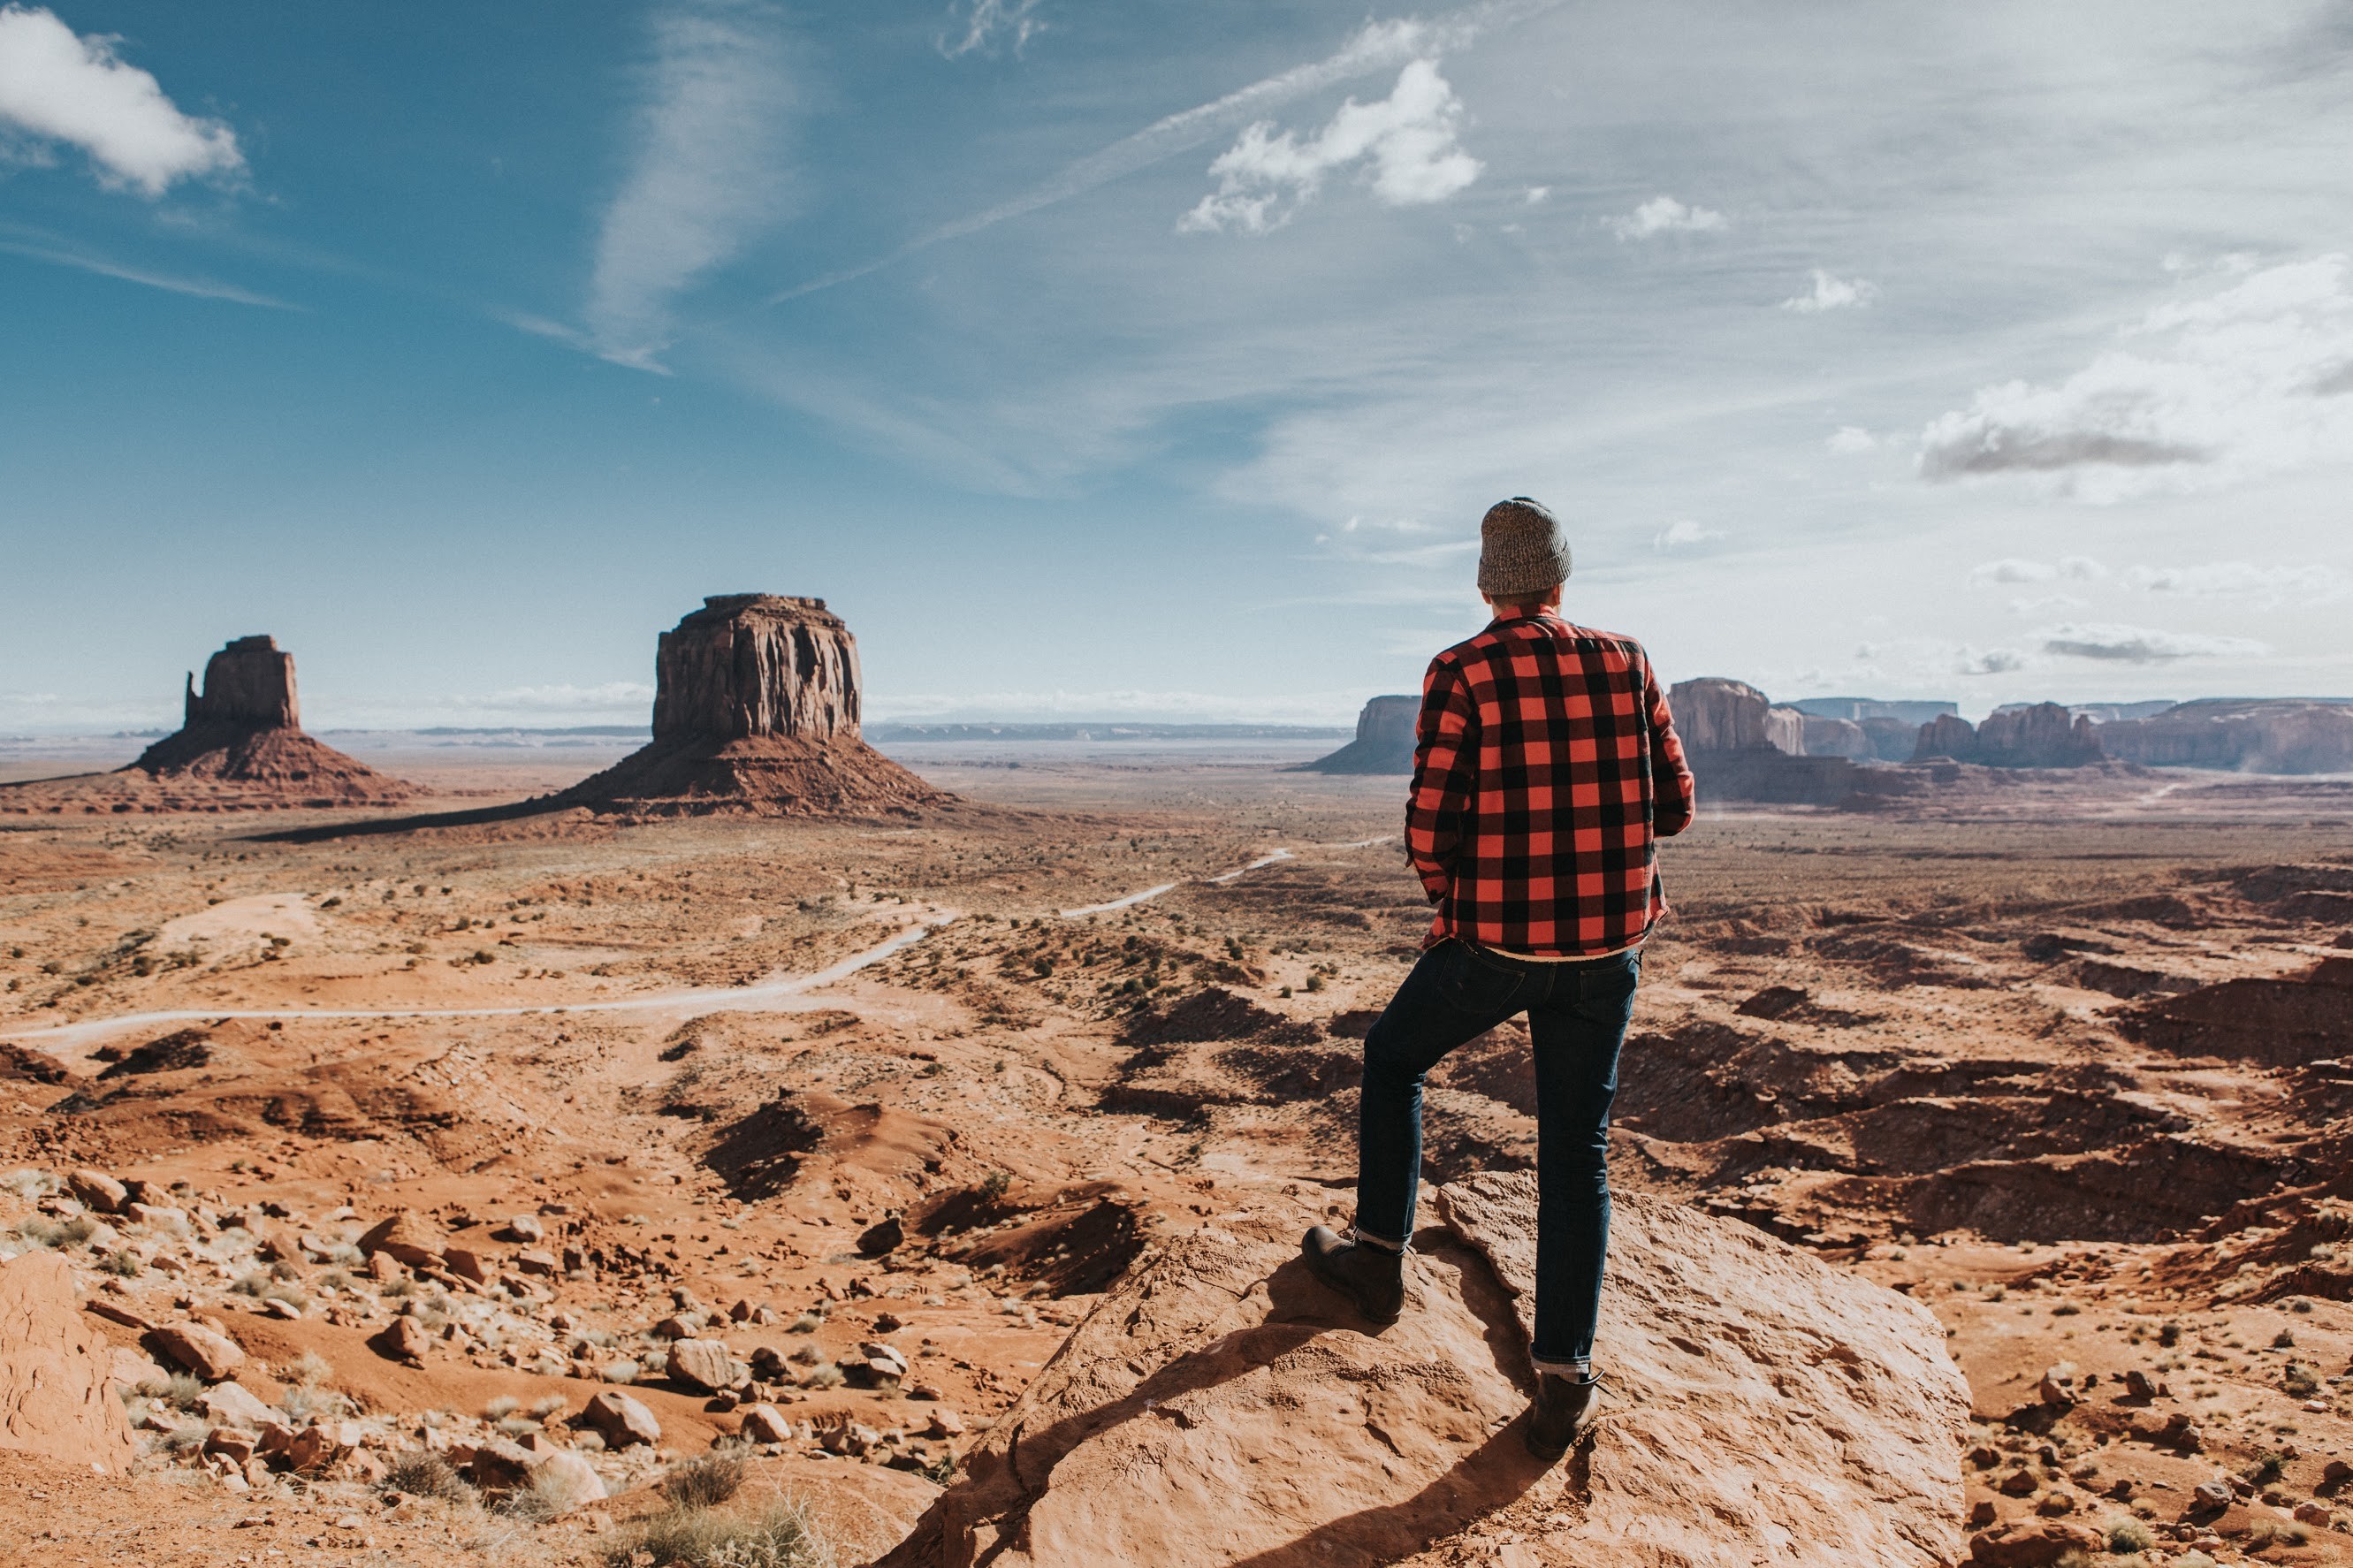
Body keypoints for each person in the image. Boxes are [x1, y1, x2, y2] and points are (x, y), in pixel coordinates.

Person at [1300, 496, 1694, 1462]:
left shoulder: (1462, 669)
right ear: (1561, 580)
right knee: (1576, 1151)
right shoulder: (1629, 658)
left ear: (1488, 585)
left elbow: (1429, 820)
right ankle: (1563, 1380)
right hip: (1607, 952)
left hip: (1497, 943)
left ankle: (1378, 1261)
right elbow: (1676, 806)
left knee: (1393, 1057)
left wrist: (1454, 902)